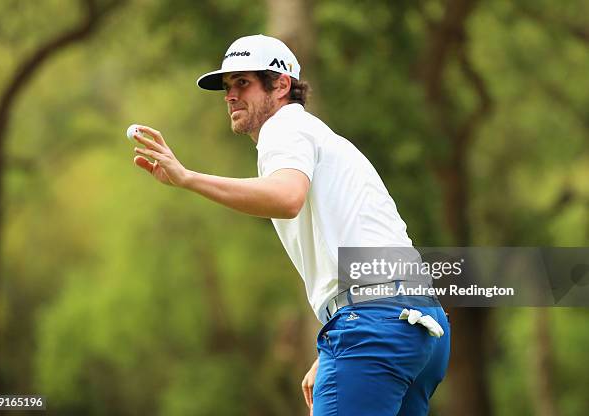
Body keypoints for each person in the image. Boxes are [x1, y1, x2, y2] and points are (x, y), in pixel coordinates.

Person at [131, 34, 450, 416]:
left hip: (374, 326)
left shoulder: (283, 129)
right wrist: (341, 336)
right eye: (227, 87)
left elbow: (286, 198)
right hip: (420, 324)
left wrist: (187, 178)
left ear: (281, 85)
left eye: (243, 83)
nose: (230, 96)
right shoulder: (324, 139)